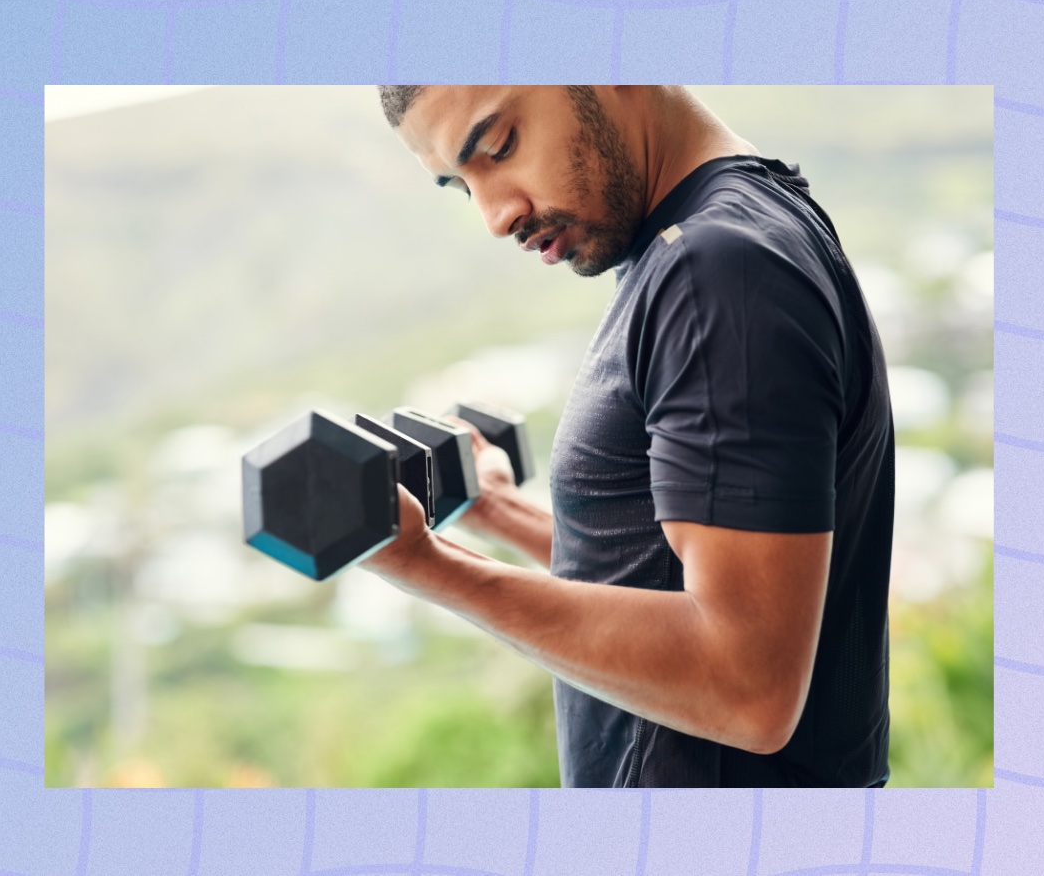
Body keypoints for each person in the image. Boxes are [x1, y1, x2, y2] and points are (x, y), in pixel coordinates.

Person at [367, 85, 894, 788]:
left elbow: (749, 685)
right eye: (463, 185)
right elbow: (672, 573)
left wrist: (428, 565)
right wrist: (497, 514)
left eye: (499, 147)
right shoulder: (722, 237)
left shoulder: (716, 271)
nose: (496, 216)